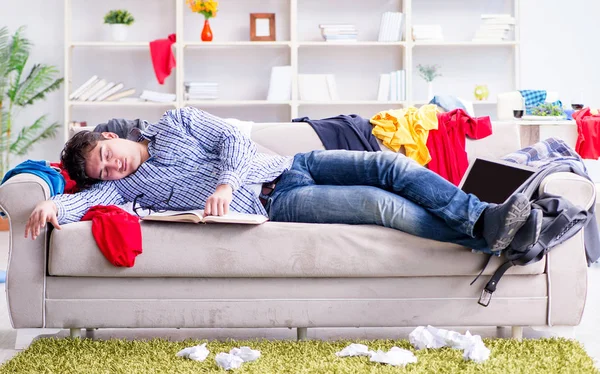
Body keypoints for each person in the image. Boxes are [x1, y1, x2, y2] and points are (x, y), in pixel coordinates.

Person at [24, 107, 538, 254]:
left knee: (393, 166)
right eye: (104, 172)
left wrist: (224, 183)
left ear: (110, 136)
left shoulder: (176, 121)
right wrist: (52, 206)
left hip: (291, 166)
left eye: (109, 157)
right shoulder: (125, 188)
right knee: (383, 207)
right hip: (280, 204)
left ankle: (486, 223)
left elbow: (233, 142)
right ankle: (496, 234)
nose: (113, 169)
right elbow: (83, 203)